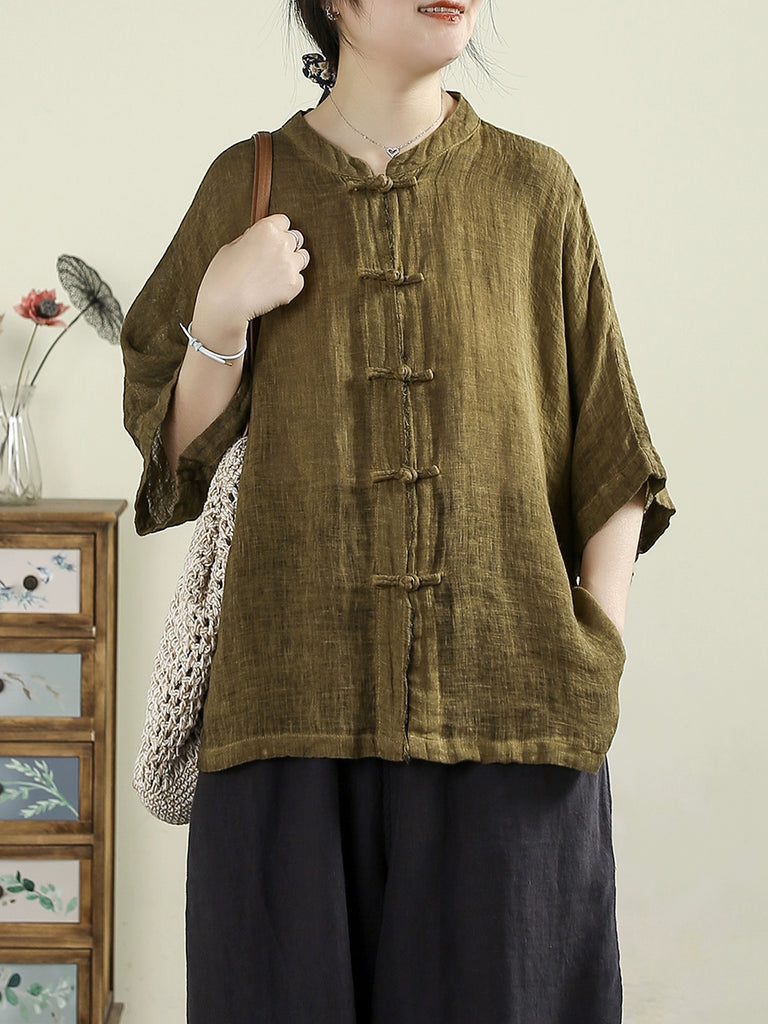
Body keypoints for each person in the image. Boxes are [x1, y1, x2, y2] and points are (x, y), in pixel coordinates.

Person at [120, 1, 676, 1021]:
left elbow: (615, 455)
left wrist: (597, 649)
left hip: (510, 731)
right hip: (286, 731)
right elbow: (174, 456)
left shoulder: (535, 189)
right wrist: (218, 311)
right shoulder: (246, 183)